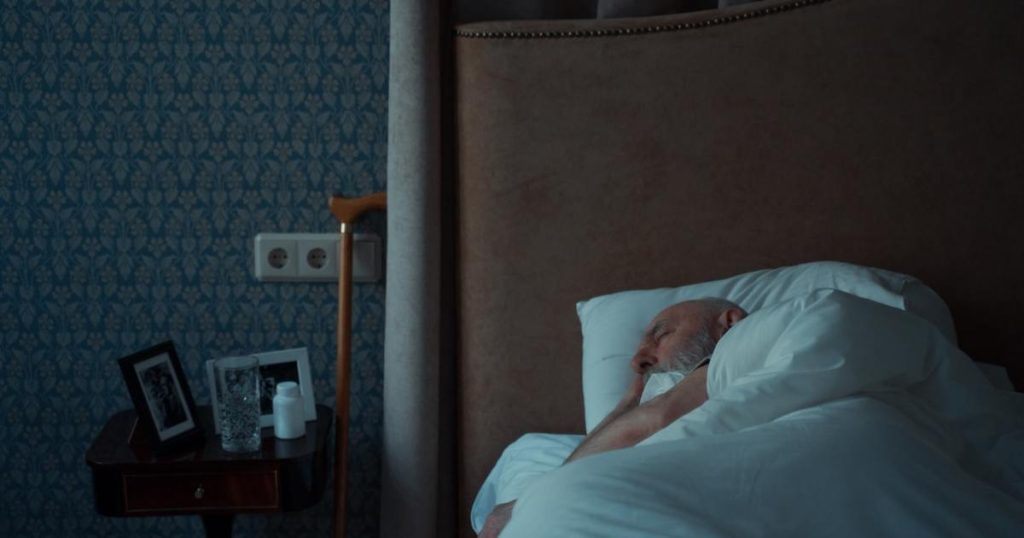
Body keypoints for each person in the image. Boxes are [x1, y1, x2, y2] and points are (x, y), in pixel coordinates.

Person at [478, 298, 747, 537]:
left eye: (662, 335)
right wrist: (629, 402)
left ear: (729, 322)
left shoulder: (738, 351)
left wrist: (523, 504)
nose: (636, 361)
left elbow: (656, 417)